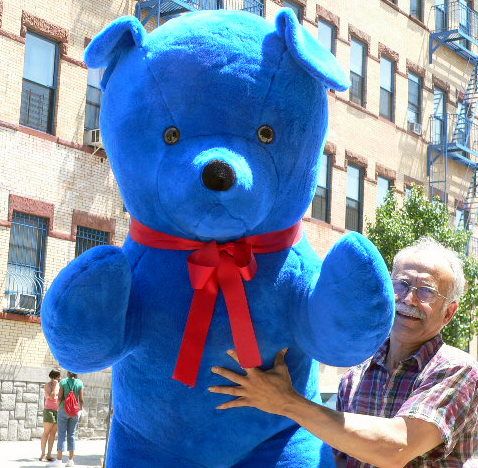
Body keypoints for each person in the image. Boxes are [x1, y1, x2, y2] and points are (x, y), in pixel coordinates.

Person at [209, 237, 478, 467]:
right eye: (402, 285)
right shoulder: (356, 375)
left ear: (449, 313)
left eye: (426, 292)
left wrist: (286, 401)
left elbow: (396, 448)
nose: (409, 299)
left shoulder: (457, 371)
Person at [50, 371, 84, 467]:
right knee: (72, 435)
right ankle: (70, 460)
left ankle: (59, 461)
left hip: (63, 411)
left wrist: (58, 407)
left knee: (61, 434)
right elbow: (81, 400)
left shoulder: (63, 382)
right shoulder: (80, 383)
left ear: (68, 373)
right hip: (74, 412)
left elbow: (60, 397)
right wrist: (80, 411)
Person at [40, 368, 61, 462]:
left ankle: (49, 454)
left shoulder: (59, 385)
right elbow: (52, 396)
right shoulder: (48, 385)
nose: (60, 378)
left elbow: (59, 397)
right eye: (59, 376)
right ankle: (43, 454)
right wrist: (55, 385)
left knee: (53, 433)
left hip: (58, 411)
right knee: (46, 432)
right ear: (55, 376)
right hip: (49, 410)